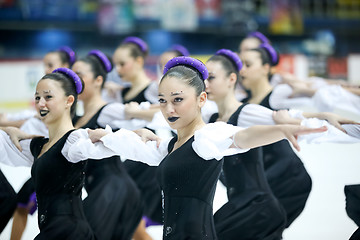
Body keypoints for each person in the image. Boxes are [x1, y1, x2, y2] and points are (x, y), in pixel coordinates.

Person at [66, 56, 328, 239]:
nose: (169, 108)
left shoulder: (207, 139)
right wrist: (107, 136)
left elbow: (244, 137)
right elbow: (137, 149)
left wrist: (281, 130)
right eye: (163, 100)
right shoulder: (171, 146)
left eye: (178, 100)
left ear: (202, 99)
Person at [205, 49, 360, 239]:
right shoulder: (215, 115)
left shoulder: (265, 101)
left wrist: (325, 114)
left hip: (283, 182)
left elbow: (299, 116)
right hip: (254, 192)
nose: (243, 70)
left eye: (248, 64)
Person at [0, 68, 97, 239]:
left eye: (48, 97)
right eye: (37, 97)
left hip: (68, 232)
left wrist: (135, 134)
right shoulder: (41, 145)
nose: (40, 103)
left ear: (69, 101)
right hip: (54, 230)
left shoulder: (75, 140)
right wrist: (8, 129)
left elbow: (113, 143)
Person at [71, 50, 146, 240]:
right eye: (71, 75)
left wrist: (139, 110)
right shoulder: (76, 118)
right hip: (102, 191)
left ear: (98, 80)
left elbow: (139, 114)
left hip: (113, 190)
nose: (73, 81)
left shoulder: (107, 111)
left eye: (79, 75)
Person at [112, 36, 164, 228]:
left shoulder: (153, 89)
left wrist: (139, 111)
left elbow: (169, 109)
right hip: (127, 160)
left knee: (135, 225)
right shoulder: (120, 92)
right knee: (127, 225)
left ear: (139, 61)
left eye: (122, 64)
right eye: (115, 64)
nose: (117, 69)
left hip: (146, 164)